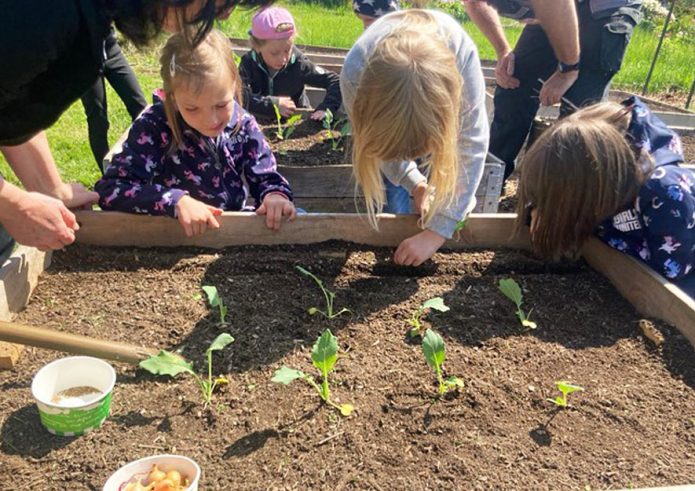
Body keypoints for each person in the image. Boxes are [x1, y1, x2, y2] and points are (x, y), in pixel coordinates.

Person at [0, 0, 272, 253]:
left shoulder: (86, 16)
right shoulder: (44, 15)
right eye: (224, 1)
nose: (224, 14)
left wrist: (47, 187)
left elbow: (10, 109)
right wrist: (13, 204)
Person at [95, 30, 296, 237]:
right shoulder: (155, 127)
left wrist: (274, 195)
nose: (212, 120)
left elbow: (265, 176)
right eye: (192, 108)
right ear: (172, 97)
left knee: (298, 220)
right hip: (176, 233)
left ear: (235, 86)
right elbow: (111, 189)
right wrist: (175, 201)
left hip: (232, 230)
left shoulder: (242, 123)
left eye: (221, 104)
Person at [341, 9, 489, 266]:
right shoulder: (356, 75)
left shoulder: (462, 59)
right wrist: (417, 184)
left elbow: (472, 146)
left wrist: (438, 232)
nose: (413, 158)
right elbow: (376, 145)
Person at [515, 97, 694, 297]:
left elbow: (671, 274)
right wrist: (537, 213)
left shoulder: (665, 197)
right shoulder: (602, 182)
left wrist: (604, 241)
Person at [463, 0, 643, 183]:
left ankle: (562, 194)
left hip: (603, 9)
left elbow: (558, 3)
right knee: (515, 82)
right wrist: (503, 51)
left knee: (579, 111)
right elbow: (474, 2)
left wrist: (568, 70)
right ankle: (489, 180)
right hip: (550, 8)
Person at [239, 7, 342, 121]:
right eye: (275, 53)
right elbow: (239, 95)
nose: (283, 59)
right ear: (257, 47)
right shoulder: (248, 63)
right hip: (257, 123)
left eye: (287, 50)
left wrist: (326, 108)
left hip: (296, 123)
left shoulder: (299, 64)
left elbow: (335, 81)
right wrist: (272, 104)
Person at [81, 26, 148, 172]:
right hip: (83, 58)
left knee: (142, 110)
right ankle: (108, 176)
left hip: (111, 49)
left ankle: (144, 164)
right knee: (98, 119)